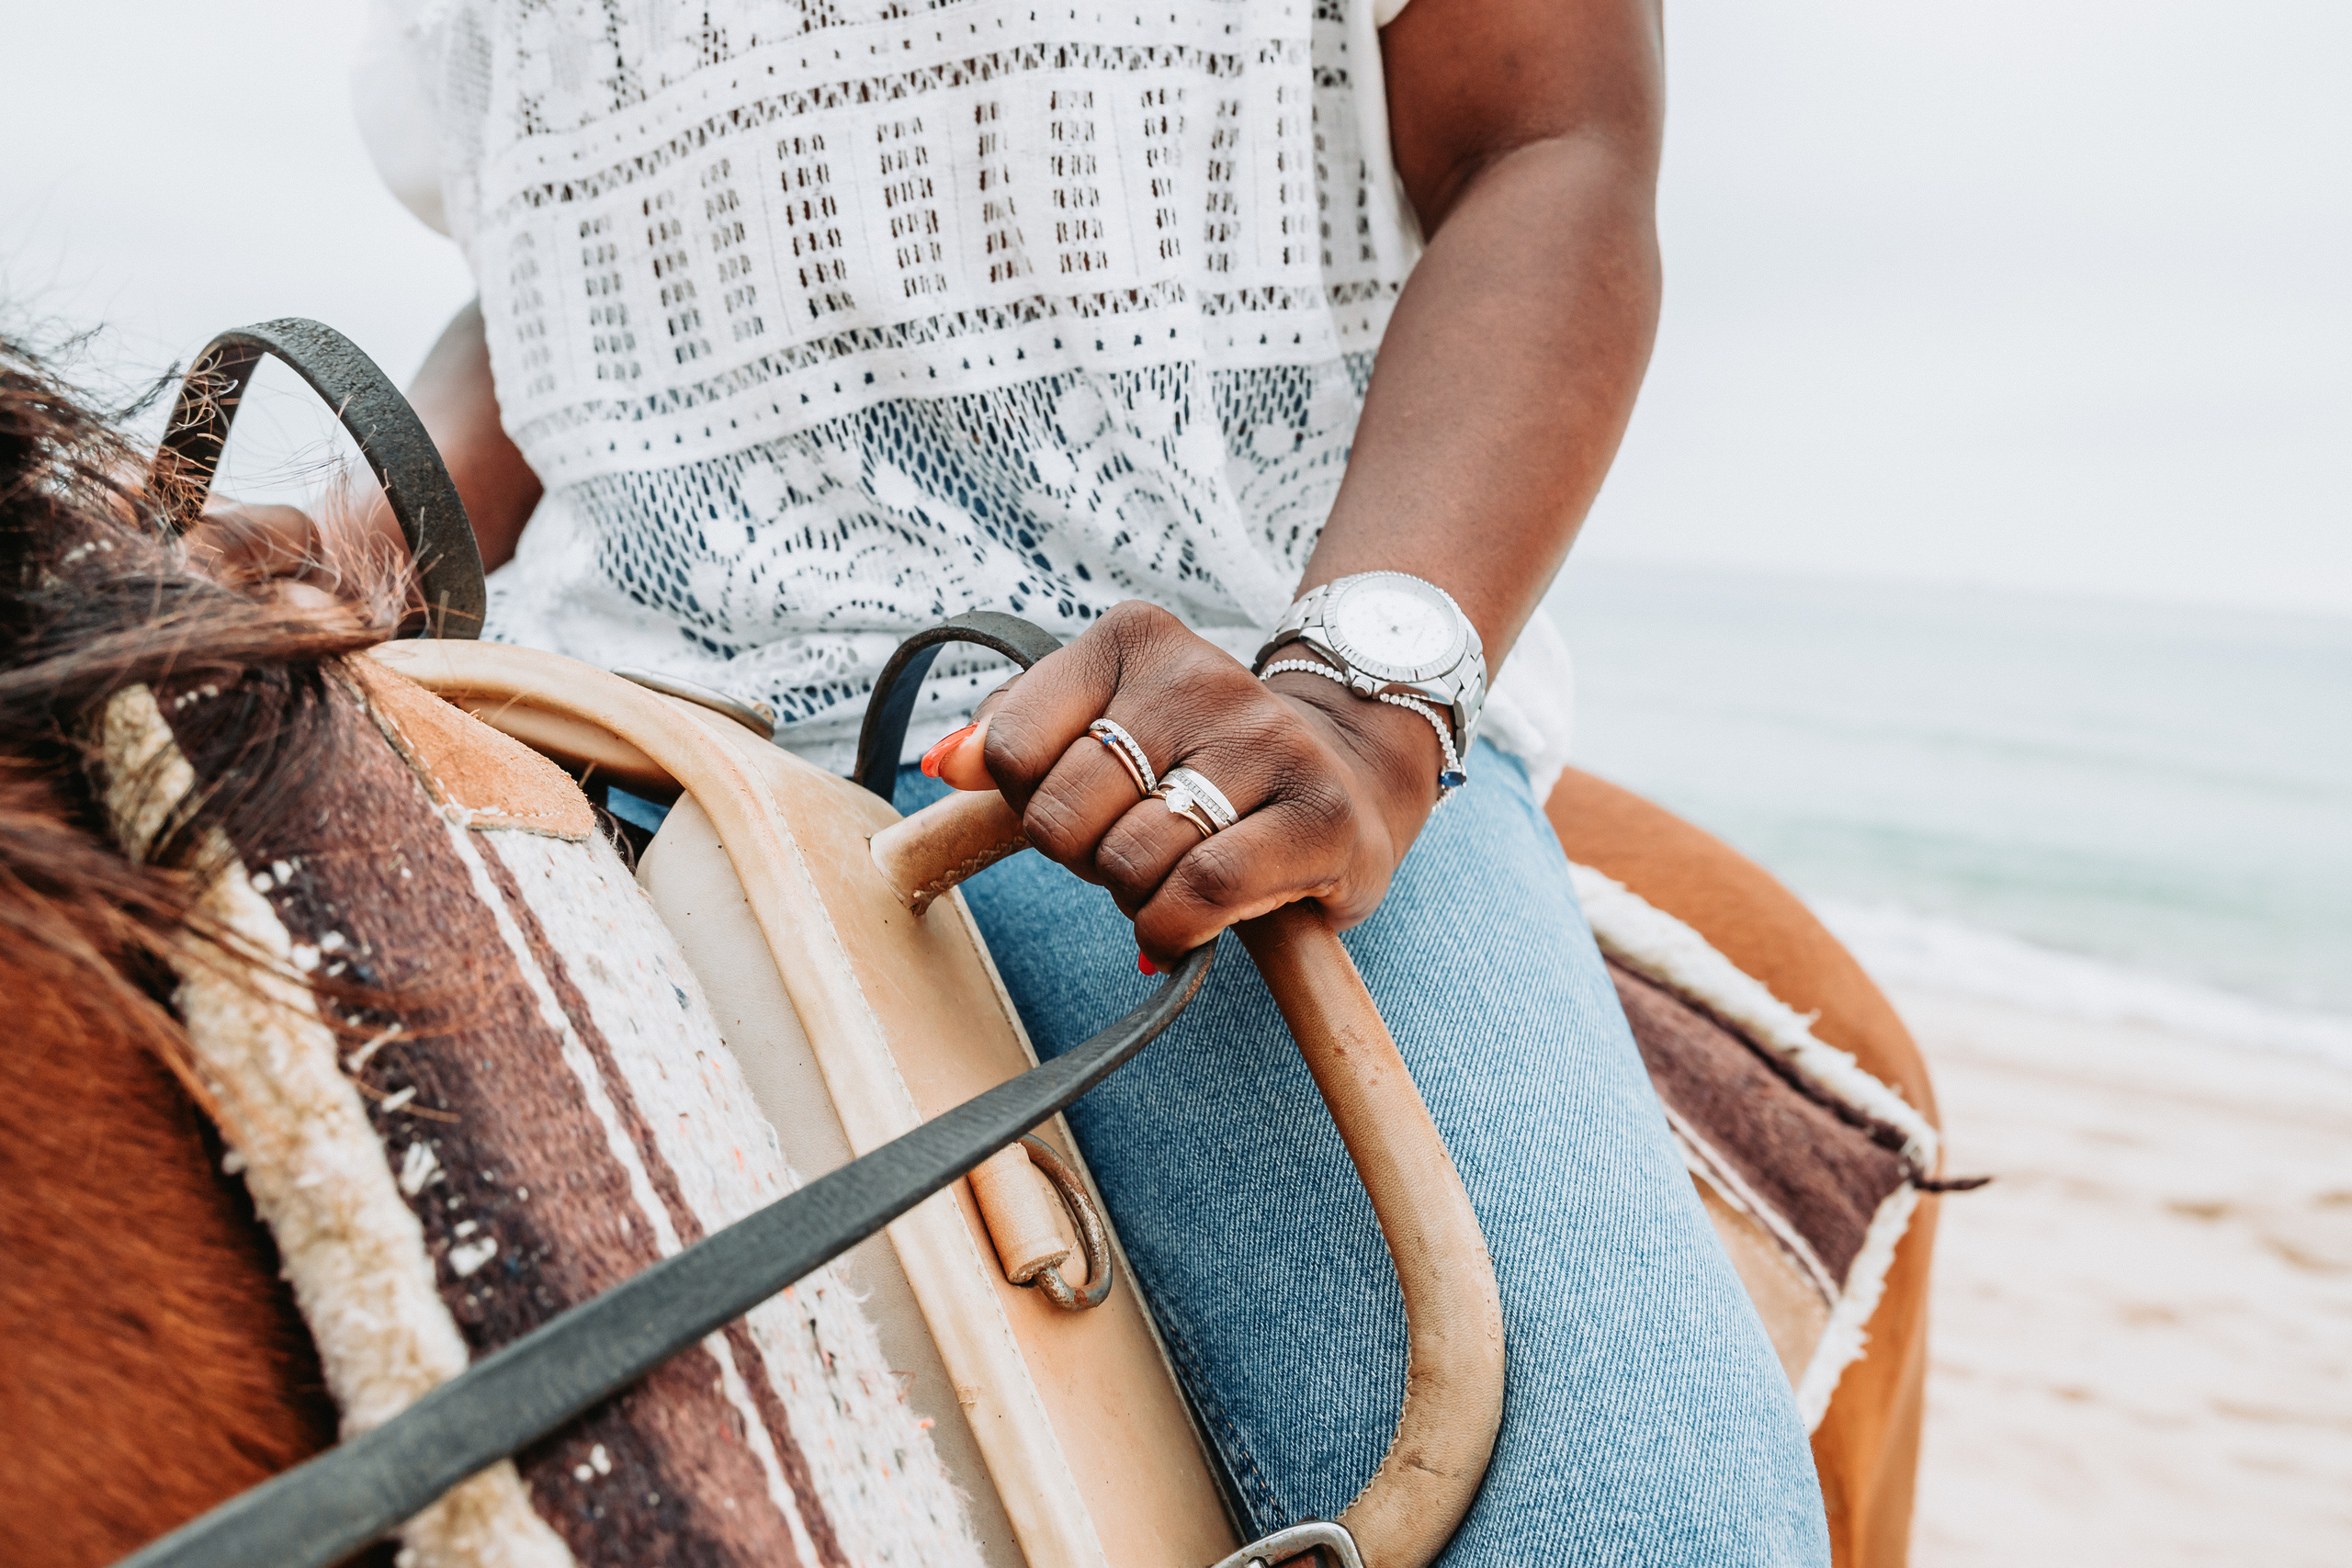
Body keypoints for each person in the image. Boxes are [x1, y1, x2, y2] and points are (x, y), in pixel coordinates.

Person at [212, 0, 1831, 1557]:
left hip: (1166, 733)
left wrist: (1365, 691)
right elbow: (560, 275)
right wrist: (346, 542)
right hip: (572, 707)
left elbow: (1546, 136)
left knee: (1644, 1531)